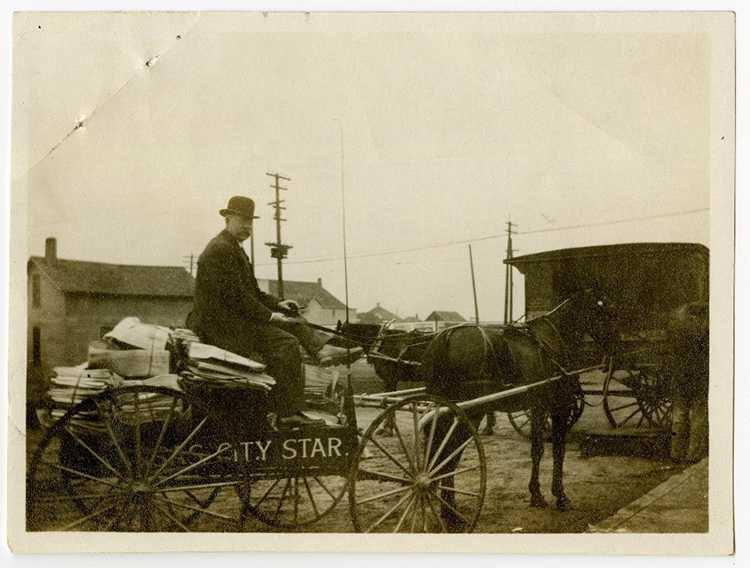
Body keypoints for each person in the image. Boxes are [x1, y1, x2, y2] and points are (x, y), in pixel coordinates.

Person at [191, 196, 363, 427]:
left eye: (250, 222)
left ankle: (322, 349)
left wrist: (278, 304)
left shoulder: (233, 248)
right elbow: (236, 298)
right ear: (227, 219)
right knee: (286, 344)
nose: (247, 226)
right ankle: (286, 412)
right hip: (222, 325)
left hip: (233, 319)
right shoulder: (221, 250)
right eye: (242, 220)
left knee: (291, 315)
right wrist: (270, 316)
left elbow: (253, 293)